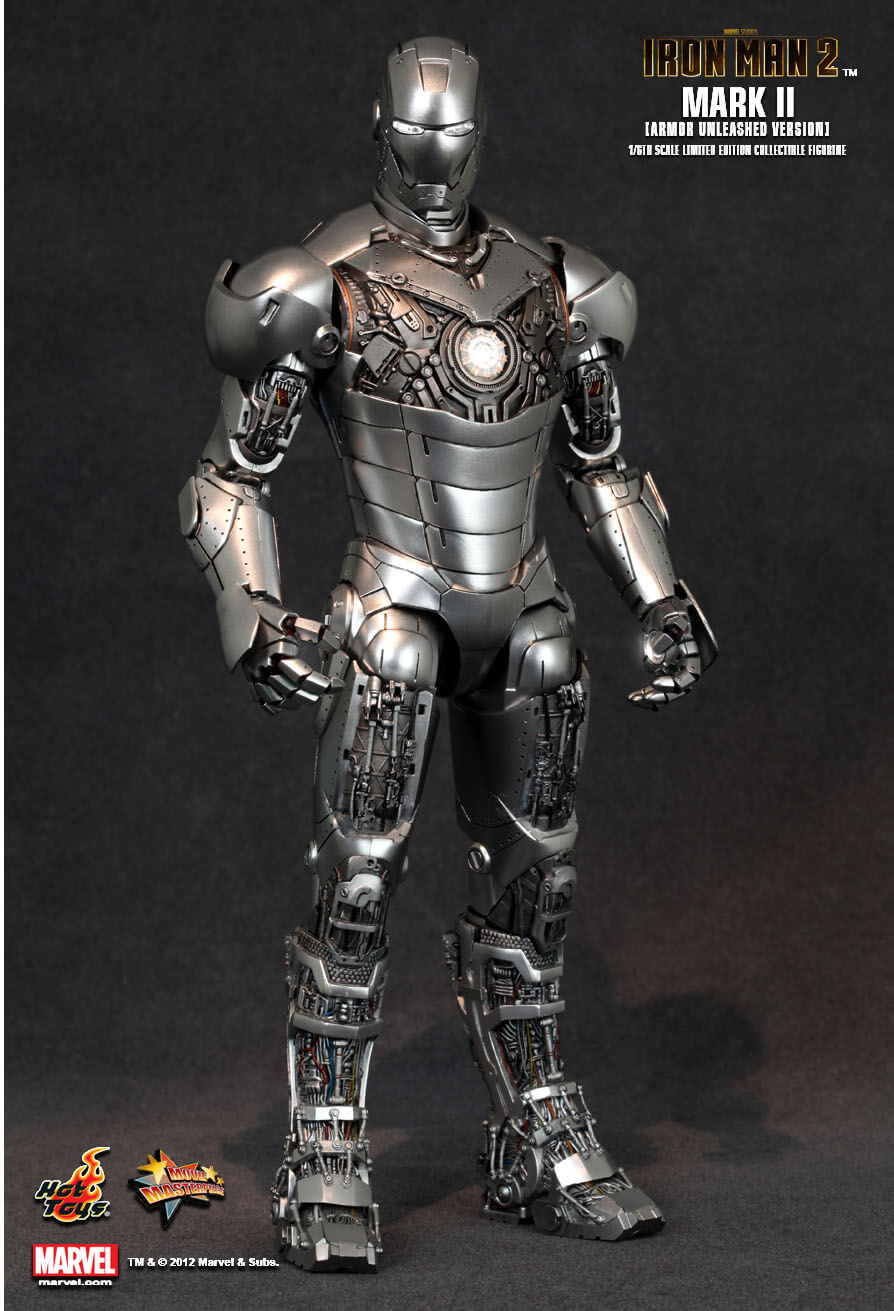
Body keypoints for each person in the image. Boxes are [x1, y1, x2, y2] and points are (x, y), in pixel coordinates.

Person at [180, 35, 716, 1272]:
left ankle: (537, 1130)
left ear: (480, 135)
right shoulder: (317, 283)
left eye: (455, 139)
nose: (437, 163)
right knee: (359, 879)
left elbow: (602, 466)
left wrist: (662, 596)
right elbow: (227, 478)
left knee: (538, 888)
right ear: (382, 129)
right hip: (395, 609)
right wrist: (249, 610)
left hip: (528, 612)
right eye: (418, 140)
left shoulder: (560, 285)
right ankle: (325, 1140)